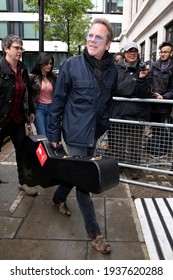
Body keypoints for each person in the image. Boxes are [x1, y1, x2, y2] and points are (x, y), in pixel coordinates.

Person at [48, 18, 118, 254]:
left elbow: (107, 102)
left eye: (99, 37)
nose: (92, 40)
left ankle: (58, 198)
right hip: (75, 133)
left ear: (107, 44)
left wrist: (104, 126)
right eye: (90, 35)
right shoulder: (71, 65)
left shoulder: (113, 70)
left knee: (75, 172)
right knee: (85, 180)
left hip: (95, 134)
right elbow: (57, 101)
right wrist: (54, 133)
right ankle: (94, 233)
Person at [0, 34, 38, 196]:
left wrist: (30, 111)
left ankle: (23, 183)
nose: (20, 51)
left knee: (22, 151)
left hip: (17, 120)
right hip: (1, 120)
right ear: (6, 48)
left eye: (21, 48)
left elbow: (26, 92)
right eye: (16, 48)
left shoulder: (23, 69)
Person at [109, 42, 152, 179]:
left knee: (135, 145)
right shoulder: (116, 68)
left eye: (134, 51)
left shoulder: (144, 69)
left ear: (138, 53)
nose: (132, 53)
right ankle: (118, 166)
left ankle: (134, 169)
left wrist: (140, 80)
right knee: (118, 144)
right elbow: (115, 89)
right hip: (119, 114)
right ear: (124, 53)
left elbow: (145, 92)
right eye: (129, 51)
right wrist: (134, 83)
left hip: (136, 115)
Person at [146, 41, 173, 159]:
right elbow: (148, 81)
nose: (163, 54)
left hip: (165, 105)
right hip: (153, 103)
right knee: (155, 128)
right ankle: (155, 149)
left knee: (164, 129)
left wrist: (164, 97)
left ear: (171, 53)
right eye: (161, 52)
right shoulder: (154, 65)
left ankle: (163, 151)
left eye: (166, 52)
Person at [29, 52, 57, 137]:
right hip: (38, 108)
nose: (49, 65)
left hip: (51, 108)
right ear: (41, 63)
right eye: (46, 63)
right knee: (42, 135)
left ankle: (49, 151)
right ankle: (42, 150)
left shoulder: (53, 77)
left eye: (51, 63)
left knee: (50, 135)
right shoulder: (32, 77)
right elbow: (28, 96)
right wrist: (30, 112)